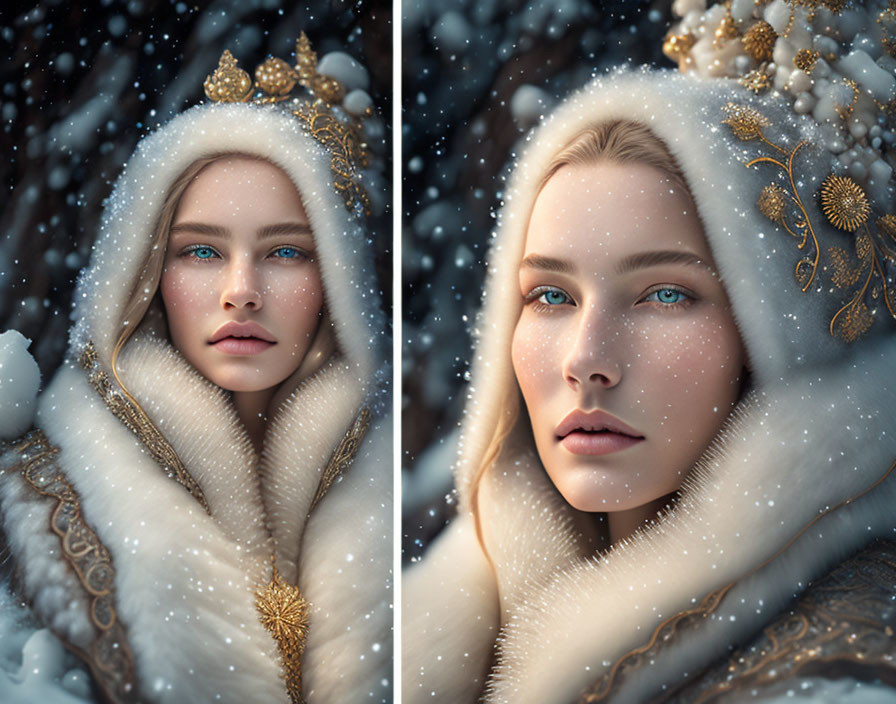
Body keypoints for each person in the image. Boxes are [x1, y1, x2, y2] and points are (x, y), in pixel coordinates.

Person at [403, 4, 896, 702]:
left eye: (664, 295)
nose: (586, 358)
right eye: (549, 296)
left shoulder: (844, 667)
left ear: (772, 336)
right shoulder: (420, 634)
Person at [0, 37, 391, 704]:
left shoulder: (411, 503)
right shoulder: (36, 501)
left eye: (287, 252)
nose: (242, 290)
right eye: (202, 251)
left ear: (338, 281)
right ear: (148, 273)